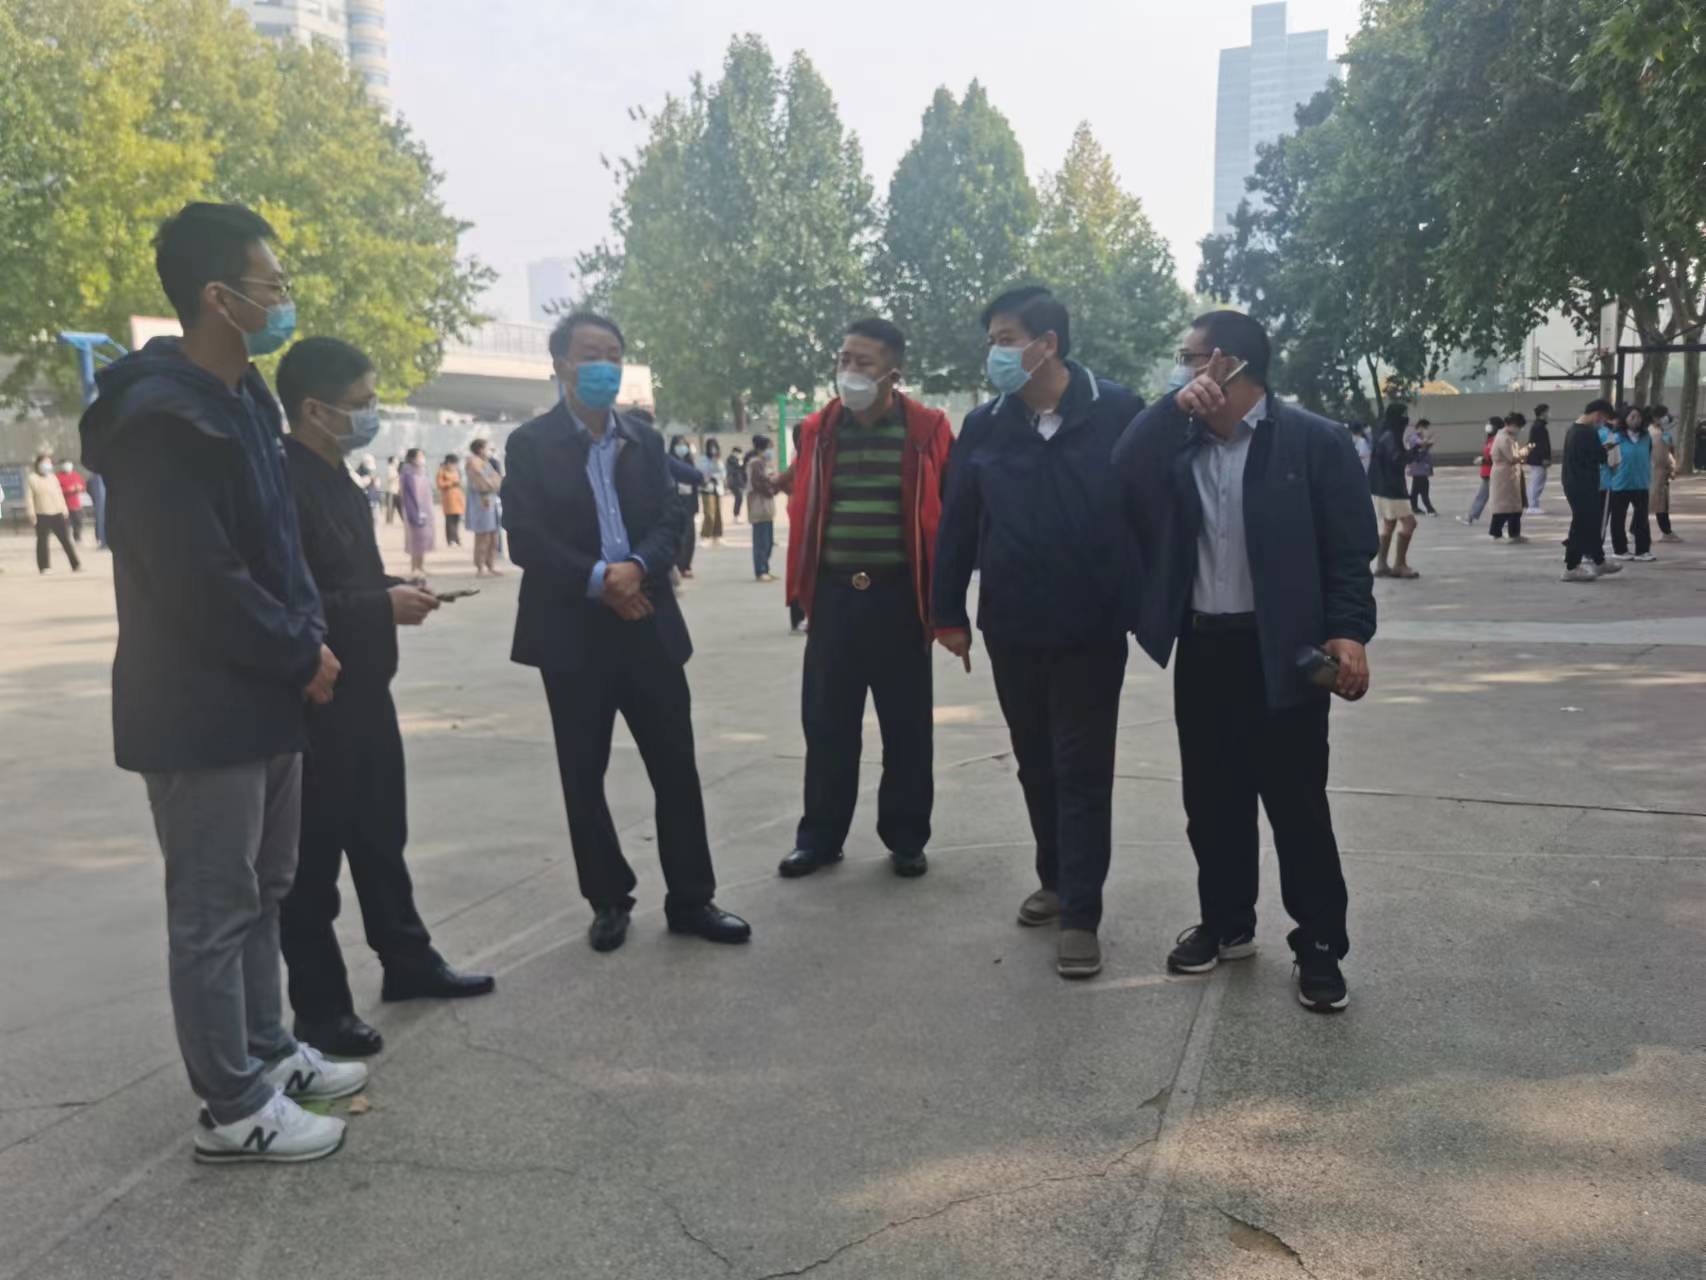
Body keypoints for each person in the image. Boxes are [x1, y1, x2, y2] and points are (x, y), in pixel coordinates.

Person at [78, 202, 359, 1164]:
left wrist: (307, 639)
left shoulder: (246, 398)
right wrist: (297, 650)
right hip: (198, 706)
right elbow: (199, 578)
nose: (282, 300)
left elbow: (278, 544)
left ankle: (268, 1052)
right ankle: (233, 1107)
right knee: (211, 908)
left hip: (267, 690)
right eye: (270, 285)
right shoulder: (157, 417)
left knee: (264, 887)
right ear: (217, 298)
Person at [1113, 310, 1376, 1014]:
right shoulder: (1180, 443)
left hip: (1283, 652)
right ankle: (1227, 922)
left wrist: (1349, 632)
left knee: (1297, 806)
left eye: (1190, 357)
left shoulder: (1314, 442)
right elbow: (1122, 471)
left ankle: (1319, 945)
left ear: (1226, 364)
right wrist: (1170, 409)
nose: (1182, 369)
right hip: (1204, 647)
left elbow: (1349, 551)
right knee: (1211, 802)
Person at [273, 339, 494, 1058]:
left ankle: (407, 959)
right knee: (314, 863)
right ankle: (321, 1009)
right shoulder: (283, 483)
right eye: (362, 402)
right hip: (319, 698)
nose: (371, 413)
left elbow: (343, 578)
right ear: (314, 409)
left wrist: (393, 589)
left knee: (380, 838)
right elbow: (290, 601)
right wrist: (379, 606)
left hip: (369, 692)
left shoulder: (337, 476)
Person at [502, 312, 749, 953]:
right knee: (583, 773)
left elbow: (670, 517)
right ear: (561, 363)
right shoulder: (530, 444)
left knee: (676, 767)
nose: (605, 366)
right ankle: (608, 898)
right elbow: (526, 536)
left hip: (647, 623)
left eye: (614, 354)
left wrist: (637, 568)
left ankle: (692, 898)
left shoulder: (642, 437)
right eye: (592, 353)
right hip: (572, 631)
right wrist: (598, 580)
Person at [933, 288, 1144, 979]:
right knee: (1035, 760)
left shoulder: (1119, 412)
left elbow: (1154, 511)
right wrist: (948, 612)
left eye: (1005, 338)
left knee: (1082, 766)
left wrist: (1147, 599)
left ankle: (1081, 913)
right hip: (1013, 625)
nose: (994, 353)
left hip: (1091, 626)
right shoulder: (985, 425)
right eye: (992, 340)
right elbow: (958, 521)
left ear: (1046, 343)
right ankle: (1054, 878)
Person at [775, 317, 953, 882]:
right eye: (843, 359)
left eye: (863, 362)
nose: (849, 371)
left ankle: (906, 838)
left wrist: (944, 605)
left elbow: (950, 511)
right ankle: (819, 838)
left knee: (907, 728)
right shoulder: (819, 429)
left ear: (892, 374)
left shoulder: (926, 430)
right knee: (827, 724)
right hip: (833, 599)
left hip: (900, 599)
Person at [1560, 400, 1621, 582]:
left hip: (1574, 482)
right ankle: (1571, 567)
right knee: (1582, 524)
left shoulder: (1574, 429)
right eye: (1603, 418)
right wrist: (1606, 448)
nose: (1602, 423)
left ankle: (1599, 561)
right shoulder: (1587, 432)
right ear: (1598, 414)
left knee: (1592, 522)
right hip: (1583, 484)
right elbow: (1600, 457)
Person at [1370, 403, 1421, 577]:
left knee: (1389, 524)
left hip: (1382, 487)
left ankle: (1382, 564)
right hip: (1392, 489)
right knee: (1409, 523)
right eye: (1403, 414)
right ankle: (1399, 564)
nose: (1406, 419)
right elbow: (1398, 459)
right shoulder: (1391, 437)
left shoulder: (1384, 434)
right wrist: (1415, 450)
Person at [1608, 405, 1655, 561]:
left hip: (1641, 484)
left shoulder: (1646, 437)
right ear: (1625, 419)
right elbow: (1609, 459)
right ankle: (1620, 550)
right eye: (1632, 417)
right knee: (1618, 518)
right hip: (1619, 484)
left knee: (1642, 519)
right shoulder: (1615, 437)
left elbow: (1648, 455)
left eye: (1638, 417)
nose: (1636, 420)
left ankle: (1643, 551)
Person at [24, 453, 81, 574]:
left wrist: (64, 508)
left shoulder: (53, 478)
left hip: (57, 512)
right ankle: (44, 567)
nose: (48, 465)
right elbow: (29, 498)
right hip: (41, 513)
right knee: (42, 541)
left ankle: (75, 564)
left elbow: (59, 494)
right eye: (45, 462)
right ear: (38, 464)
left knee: (66, 540)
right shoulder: (32, 478)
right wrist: (31, 513)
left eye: (49, 463)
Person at [463, 438, 503, 576]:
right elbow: (482, 484)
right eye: (487, 448)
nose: (489, 451)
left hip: (491, 502)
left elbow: (497, 480)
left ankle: (490, 564)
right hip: (481, 502)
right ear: (480, 449)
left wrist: (494, 483)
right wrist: (493, 484)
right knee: (483, 535)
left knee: (493, 535)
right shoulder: (473, 463)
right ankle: (480, 566)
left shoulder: (486, 462)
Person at [1489, 413, 1531, 542]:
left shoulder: (1505, 436)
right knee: (1506, 507)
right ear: (1513, 425)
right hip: (1505, 474)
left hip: (1507, 473)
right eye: (1519, 427)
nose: (1519, 430)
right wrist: (1526, 451)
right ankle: (1502, 533)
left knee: (1510, 507)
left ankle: (1509, 533)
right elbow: (1512, 457)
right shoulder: (1505, 438)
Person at [746, 435, 779, 582]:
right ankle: (760, 570)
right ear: (762, 449)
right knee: (761, 541)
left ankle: (765, 568)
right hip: (759, 505)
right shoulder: (756, 463)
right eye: (770, 448)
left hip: (766, 506)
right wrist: (773, 487)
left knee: (768, 541)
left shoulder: (764, 463)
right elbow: (759, 482)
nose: (771, 451)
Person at [668, 435, 701, 577]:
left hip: (689, 504)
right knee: (677, 536)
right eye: (678, 444)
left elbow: (697, 480)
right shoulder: (669, 462)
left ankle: (686, 565)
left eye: (684, 445)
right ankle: (676, 565)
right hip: (675, 503)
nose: (681, 448)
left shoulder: (690, 463)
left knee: (690, 537)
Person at [398, 447, 434, 576]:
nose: (422, 459)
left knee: (423, 539)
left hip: (425, 509)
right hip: (414, 510)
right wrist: (415, 511)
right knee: (415, 540)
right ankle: (414, 568)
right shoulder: (408, 473)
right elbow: (409, 495)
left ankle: (421, 566)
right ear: (412, 458)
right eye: (419, 456)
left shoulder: (421, 471)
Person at [1458, 418, 1500, 524]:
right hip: (1487, 472)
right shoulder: (1490, 439)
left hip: (1494, 473)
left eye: (1490, 424)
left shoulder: (1497, 440)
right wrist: (1482, 459)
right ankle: (1470, 517)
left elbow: (1496, 457)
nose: (1487, 426)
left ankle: (1470, 517)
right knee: (1484, 496)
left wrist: (1483, 460)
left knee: (1495, 497)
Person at [1651, 406, 1682, 543]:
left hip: (1658, 473)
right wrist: (1670, 468)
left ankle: (1666, 531)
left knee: (1657, 504)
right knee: (1659, 505)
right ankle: (1666, 532)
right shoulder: (1656, 434)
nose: (1668, 418)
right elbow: (1661, 456)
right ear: (1656, 418)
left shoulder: (1659, 432)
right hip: (1657, 473)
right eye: (1665, 415)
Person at [1525, 404, 1553, 514]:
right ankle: (1533, 505)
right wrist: (1545, 458)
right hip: (1538, 459)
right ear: (1543, 413)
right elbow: (1541, 445)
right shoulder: (1539, 427)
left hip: (1536, 458)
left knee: (1536, 481)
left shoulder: (1538, 426)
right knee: (1537, 482)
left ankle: (1532, 504)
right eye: (1548, 411)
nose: (1549, 414)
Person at [697, 437, 725, 545]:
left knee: (718, 513)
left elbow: (723, 473)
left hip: (717, 488)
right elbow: (702, 472)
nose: (713, 449)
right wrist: (711, 465)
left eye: (715, 447)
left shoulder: (719, 459)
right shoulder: (703, 459)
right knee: (709, 513)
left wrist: (716, 463)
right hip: (707, 488)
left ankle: (717, 535)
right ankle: (705, 535)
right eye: (711, 447)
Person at [1406, 418, 1437, 514]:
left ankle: (1415, 507)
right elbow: (1421, 444)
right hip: (1418, 468)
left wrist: (1429, 441)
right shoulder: (1414, 437)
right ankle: (1429, 508)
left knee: (1415, 489)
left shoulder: (1419, 437)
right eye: (1425, 428)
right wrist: (1428, 439)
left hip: (1420, 468)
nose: (1426, 430)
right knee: (1424, 488)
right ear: (1420, 427)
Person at [436, 452, 465, 547]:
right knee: (450, 520)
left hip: (458, 498)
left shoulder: (456, 471)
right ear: (448, 462)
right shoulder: (442, 471)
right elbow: (440, 484)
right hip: (448, 498)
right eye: (453, 463)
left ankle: (456, 538)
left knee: (457, 520)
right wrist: (451, 483)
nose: (454, 465)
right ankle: (450, 540)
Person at [57, 459, 90, 542]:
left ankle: (77, 537)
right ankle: (66, 539)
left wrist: (80, 488)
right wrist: (68, 490)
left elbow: (83, 486)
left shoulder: (76, 475)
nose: (67, 466)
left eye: (69, 463)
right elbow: (56, 490)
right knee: (65, 524)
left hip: (77, 504)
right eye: (65, 464)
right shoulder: (58, 477)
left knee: (78, 521)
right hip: (64, 505)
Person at [725, 445, 747, 522]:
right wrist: (740, 465)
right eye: (739, 453)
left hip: (739, 482)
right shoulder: (731, 460)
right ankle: (736, 515)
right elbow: (733, 470)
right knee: (739, 497)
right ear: (735, 452)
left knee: (739, 498)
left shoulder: (738, 460)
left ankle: (737, 515)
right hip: (734, 482)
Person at [384, 456, 401, 525]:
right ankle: (389, 521)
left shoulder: (395, 469)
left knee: (395, 506)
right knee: (390, 507)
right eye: (396, 460)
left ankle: (390, 520)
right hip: (390, 490)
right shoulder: (389, 468)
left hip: (395, 490)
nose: (398, 462)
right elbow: (389, 478)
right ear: (393, 461)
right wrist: (397, 476)